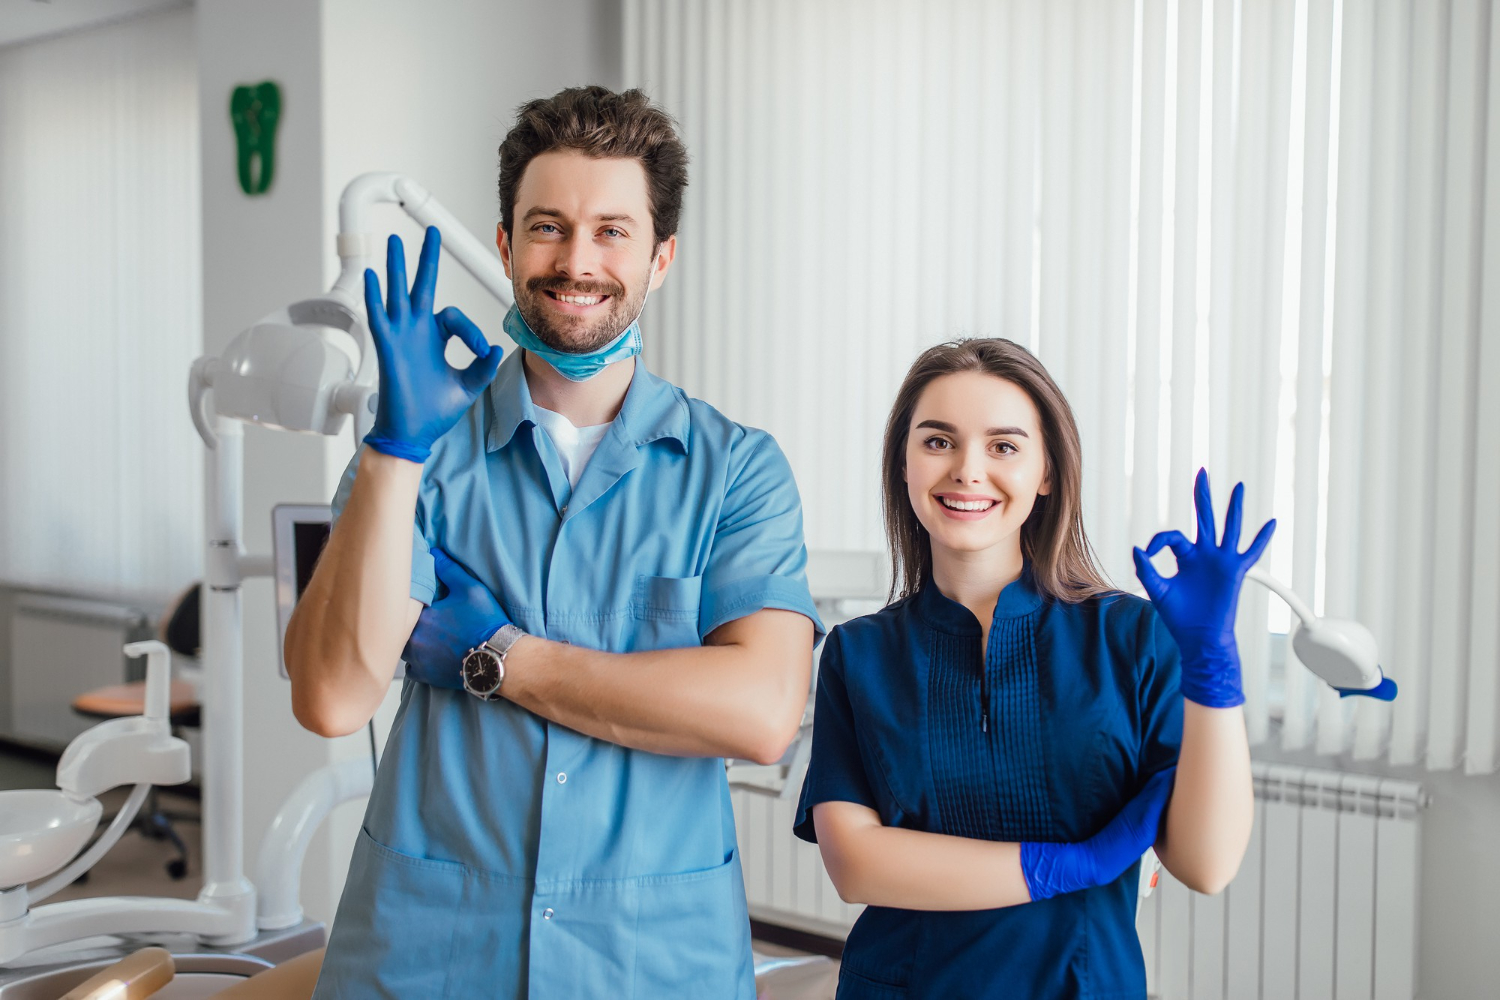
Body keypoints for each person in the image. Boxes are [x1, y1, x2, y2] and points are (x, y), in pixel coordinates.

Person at [285, 86, 823, 998]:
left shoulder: (737, 471)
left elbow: (761, 713)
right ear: (504, 245)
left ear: (662, 258)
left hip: (650, 961)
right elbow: (334, 698)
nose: (577, 261)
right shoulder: (423, 457)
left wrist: (501, 658)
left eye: (613, 231)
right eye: (548, 226)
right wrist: (394, 449)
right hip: (431, 956)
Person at [795, 339, 1272, 998]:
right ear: (903, 464)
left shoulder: (1131, 638)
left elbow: (1207, 864)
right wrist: (1068, 866)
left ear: (1046, 471)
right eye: (938, 442)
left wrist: (1214, 668)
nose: (967, 470)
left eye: (1004, 446)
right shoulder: (859, 653)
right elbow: (855, 864)